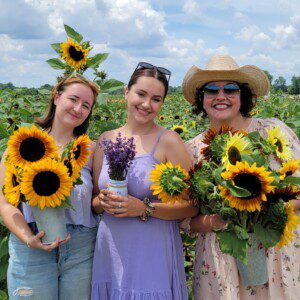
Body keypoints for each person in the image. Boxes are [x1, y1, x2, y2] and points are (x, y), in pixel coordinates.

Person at [181, 54, 300, 300]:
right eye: (211, 89)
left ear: (242, 95)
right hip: (220, 262)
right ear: (201, 99)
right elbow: (184, 220)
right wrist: (216, 221)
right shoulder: (190, 150)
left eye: (231, 89)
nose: (221, 96)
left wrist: (268, 211)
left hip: (276, 251)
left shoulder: (272, 132)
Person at [91, 62, 198, 299]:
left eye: (156, 99)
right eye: (141, 94)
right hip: (111, 249)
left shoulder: (169, 141)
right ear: (126, 92)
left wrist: (144, 208)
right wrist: (103, 201)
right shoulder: (105, 139)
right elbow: (94, 201)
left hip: (152, 250)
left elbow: (191, 205)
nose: (147, 104)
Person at [0, 75, 100, 300]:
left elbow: (95, 200)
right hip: (31, 247)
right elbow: (4, 202)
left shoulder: (90, 150)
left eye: (86, 105)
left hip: (81, 250)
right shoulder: (21, 146)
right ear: (56, 97)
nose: (78, 108)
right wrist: (28, 238)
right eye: (73, 99)